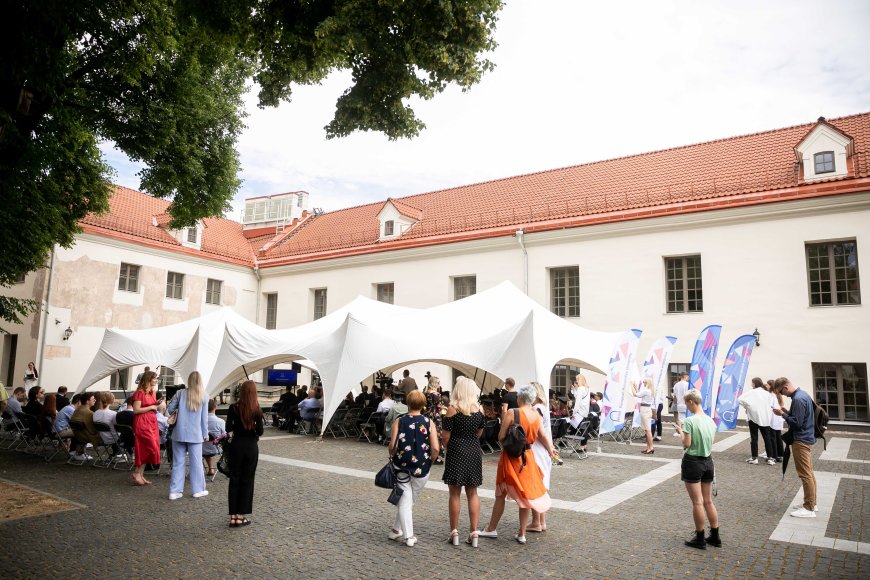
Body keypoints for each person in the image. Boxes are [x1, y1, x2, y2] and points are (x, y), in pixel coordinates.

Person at [480, 383, 556, 544]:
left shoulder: (512, 413)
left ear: (519, 397)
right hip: (528, 457)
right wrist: (551, 450)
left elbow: (501, 437)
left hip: (510, 457)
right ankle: (522, 533)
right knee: (525, 495)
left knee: (500, 494)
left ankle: (491, 528)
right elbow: (542, 436)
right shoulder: (537, 415)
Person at [387, 390, 440, 547]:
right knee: (408, 500)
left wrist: (391, 453)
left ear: (407, 403)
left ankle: (405, 535)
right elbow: (435, 448)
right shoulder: (428, 422)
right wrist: (431, 460)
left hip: (402, 465)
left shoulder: (400, 421)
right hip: (422, 468)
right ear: (423, 404)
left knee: (406, 500)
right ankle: (399, 532)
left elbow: (393, 446)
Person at [442, 377, 486, 547]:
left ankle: (454, 532)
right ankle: (474, 532)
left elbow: (445, 436)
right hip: (473, 450)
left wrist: (450, 447)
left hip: (456, 450)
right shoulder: (479, 410)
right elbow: (479, 433)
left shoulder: (452, 410)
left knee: (454, 493)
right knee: (473, 492)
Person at [674, 390, 720, 549]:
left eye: (686, 403)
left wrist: (680, 432)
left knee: (697, 502)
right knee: (708, 501)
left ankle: (699, 538)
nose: (686, 406)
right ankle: (715, 536)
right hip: (708, 461)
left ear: (691, 402)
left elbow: (687, 444)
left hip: (693, 462)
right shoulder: (711, 421)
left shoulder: (689, 421)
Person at [772, 377, 817, 518]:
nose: (782, 395)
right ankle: (812, 503)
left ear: (785, 387)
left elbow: (797, 423)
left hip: (801, 440)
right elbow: (801, 417)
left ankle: (809, 508)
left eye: (780, 392)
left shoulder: (797, 399)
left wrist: (783, 414)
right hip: (807, 437)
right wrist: (788, 412)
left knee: (805, 474)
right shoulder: (803, 394)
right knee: (809, 472)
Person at [226, 380, 264, 527]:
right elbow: (260, 431)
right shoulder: (256, 409)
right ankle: (241, 515)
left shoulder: (233, 407)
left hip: (236, 446)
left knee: (234, 478)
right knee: (247, 480)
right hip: (251, 447)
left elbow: (228, 428)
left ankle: (233, 516)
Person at [167, 371, 210, 500]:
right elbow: (204, 419)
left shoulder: (179, 393)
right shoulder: (204, 396)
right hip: (195, 434)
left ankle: (175, 491)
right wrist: (205, 433)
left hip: (179, 433)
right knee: (196, 464)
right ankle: (198, 490)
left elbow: (169, 410)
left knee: (178, 463)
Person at [528, 381, 558, 533]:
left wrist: (549, 448)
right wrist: (550, 448)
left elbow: (540, 433)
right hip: (543, 450)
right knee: (541, 485)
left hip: (537, 450)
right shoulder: (543, 408)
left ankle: (536, 522)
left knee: (536, 486)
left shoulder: (535, 409)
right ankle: (541, 521)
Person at [131, 371, 163, 486]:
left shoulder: (151, 392)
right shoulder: (139, 393)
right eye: (154, 378)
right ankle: (136, 473)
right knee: (148, 447)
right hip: (142, 422)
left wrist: (156, 403)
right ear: (149, 379)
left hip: (151, 422)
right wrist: (151, 406)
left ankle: (140, 474)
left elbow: (152, 406)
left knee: (149, 448)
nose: (156, 380)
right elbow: (136, 410)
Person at [738, 377, 776, 465]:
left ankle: (754, 458)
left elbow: (740, 399)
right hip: (765, 418)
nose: (751, 385)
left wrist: (748, 407)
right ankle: (770, 458)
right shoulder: (767, 393)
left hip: (753, 418)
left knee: (754, 438)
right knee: (767, 438)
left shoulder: (751, 392)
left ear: (754, 384)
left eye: (752, 383)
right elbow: (770, 404)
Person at [70, 392, 102, 458]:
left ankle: (79, 453)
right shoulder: (89, 413)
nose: (95, 400)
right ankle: (117, 455)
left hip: (77, 436)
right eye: (93, 399)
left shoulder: (77, 410)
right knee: (114, 437)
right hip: (85, 437)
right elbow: (92, 430)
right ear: (87, 401)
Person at [630, 378, 655, 454]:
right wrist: (634, 387)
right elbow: (639, 394)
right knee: (647, 430)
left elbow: (635, 394)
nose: (643, 383)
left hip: (645, 410)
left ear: (647, 382)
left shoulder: (647, 391)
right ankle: (648, 447)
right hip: (646, 409)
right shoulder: (649, 390)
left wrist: (631, 385)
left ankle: (651, 447)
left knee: (648, 430)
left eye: (644, 382)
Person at [424, 376, 445, 465]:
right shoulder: (436, 394)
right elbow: (439, 406)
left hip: (427, 414)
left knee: (427, 434)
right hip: (435, 416)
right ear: (434, 383)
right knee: (437, 434)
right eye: (438, 383)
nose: (439, 385)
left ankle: (427, 453)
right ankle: (435, 456)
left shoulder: (425, 393)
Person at [93, 392, 121, 456]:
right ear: (112, 401)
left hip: (102, 438)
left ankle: (116, 453)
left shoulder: (95, 413)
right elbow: (117, 427)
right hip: (113, 439)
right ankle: (128, 454)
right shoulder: (113, 414)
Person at [204, 399, 227, 477]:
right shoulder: (220, 421)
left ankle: (211, 468)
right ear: (215, 407)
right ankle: (228, 467)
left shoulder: (200, 421)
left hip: (202, 449)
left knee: (206, 445)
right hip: (217, 448)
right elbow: (224, 436)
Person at [768, 379, 784, 462]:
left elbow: (770, 406)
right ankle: (780, 454)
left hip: (773, 418)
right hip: (778, 418)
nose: (766, 386)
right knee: (778, 437)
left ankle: (774, 455)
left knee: (772, 437)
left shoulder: (771, 395)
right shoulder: (778, 395)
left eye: (767, 385)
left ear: (771, 386)